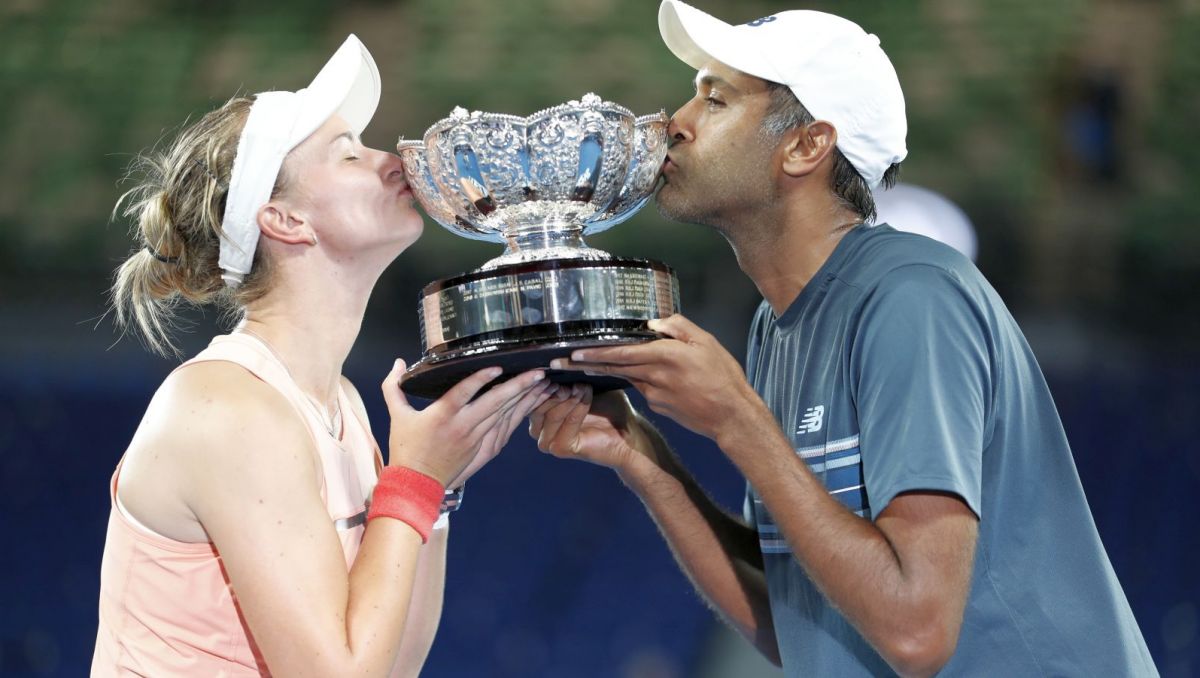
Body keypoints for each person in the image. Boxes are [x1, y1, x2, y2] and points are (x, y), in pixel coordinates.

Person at [529, 2, 1157, 676]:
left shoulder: (913, 294)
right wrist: (642, 455)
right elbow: (795, 620)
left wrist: (737, 418)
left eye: (715, 100)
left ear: (805, 146)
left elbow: (916, 632)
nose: (674, 124)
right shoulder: (779, 324)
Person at [92, 35, 549, 677]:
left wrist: (434, 492)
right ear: (284, 219)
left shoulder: (340, 407)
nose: (392, 160)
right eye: (349, 155)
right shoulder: (225, 407)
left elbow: (393, 665)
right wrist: (413, 478)